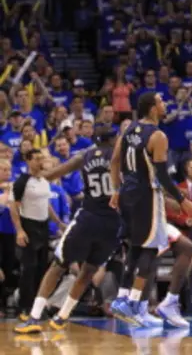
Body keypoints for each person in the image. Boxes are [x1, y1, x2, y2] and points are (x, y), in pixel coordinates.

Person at [15, 127, 122, 333]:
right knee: (88, 271)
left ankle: (34, 317)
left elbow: (53, 174)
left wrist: (36, 170)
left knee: (58, 266)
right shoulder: (123, 160)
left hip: (88, 219)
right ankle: (62, 316)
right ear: (114, 140)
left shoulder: (84, 156)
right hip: (112, 224)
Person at [109, 93, 192, 327]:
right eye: (161, 101)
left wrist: (117, 190)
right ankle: (134, 302)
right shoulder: (158, 136)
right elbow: (161, 175)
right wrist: (182, 200)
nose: (164, 104)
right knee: (150, 249)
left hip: (128, 194)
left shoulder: (128, 130)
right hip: (146, 195)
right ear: (152, 109)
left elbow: (115, 160)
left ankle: (123, 299)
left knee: (136, 248)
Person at [9, 149, 63, 323]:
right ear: (28, 160)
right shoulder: (22, 181)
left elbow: (46, 204)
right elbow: (13, 207)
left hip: (43, 226)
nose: (41, 161)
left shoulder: (44, 181)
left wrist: (59, 222)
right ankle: (24, 306)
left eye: (42, 158)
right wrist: (19, 230)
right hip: (29, 226)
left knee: (41, 267)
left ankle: (36, 307)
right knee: (28, 268)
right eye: (37, 158)